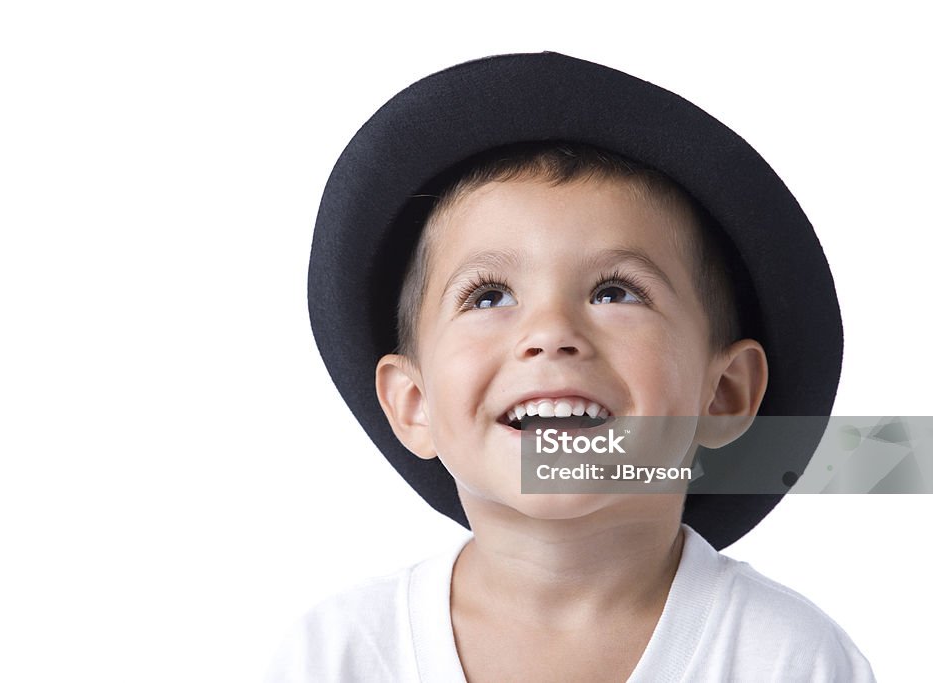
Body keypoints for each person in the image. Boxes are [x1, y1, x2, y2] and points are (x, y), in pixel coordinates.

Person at [268, 52, 876, 681]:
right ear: (413, 403)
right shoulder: (338, 654)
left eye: (614, 292)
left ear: (721, 393)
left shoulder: (788, 659)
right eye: (490, 295)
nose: (552, 334)